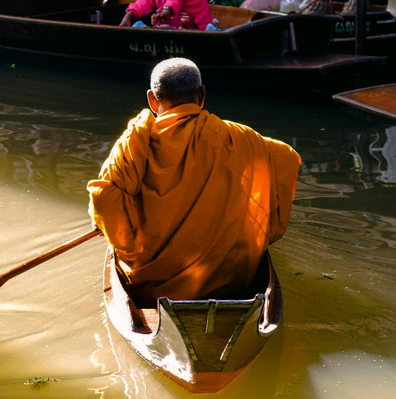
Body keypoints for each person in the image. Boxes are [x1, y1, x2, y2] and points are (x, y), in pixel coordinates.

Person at [87, 58, 301, 305]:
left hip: (152, 284)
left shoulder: (137, 141)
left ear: (152, 100)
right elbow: (287, 159)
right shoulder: (237, 137)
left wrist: (118, 236)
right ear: (201, 95)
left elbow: (104, 197)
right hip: (230, 280)